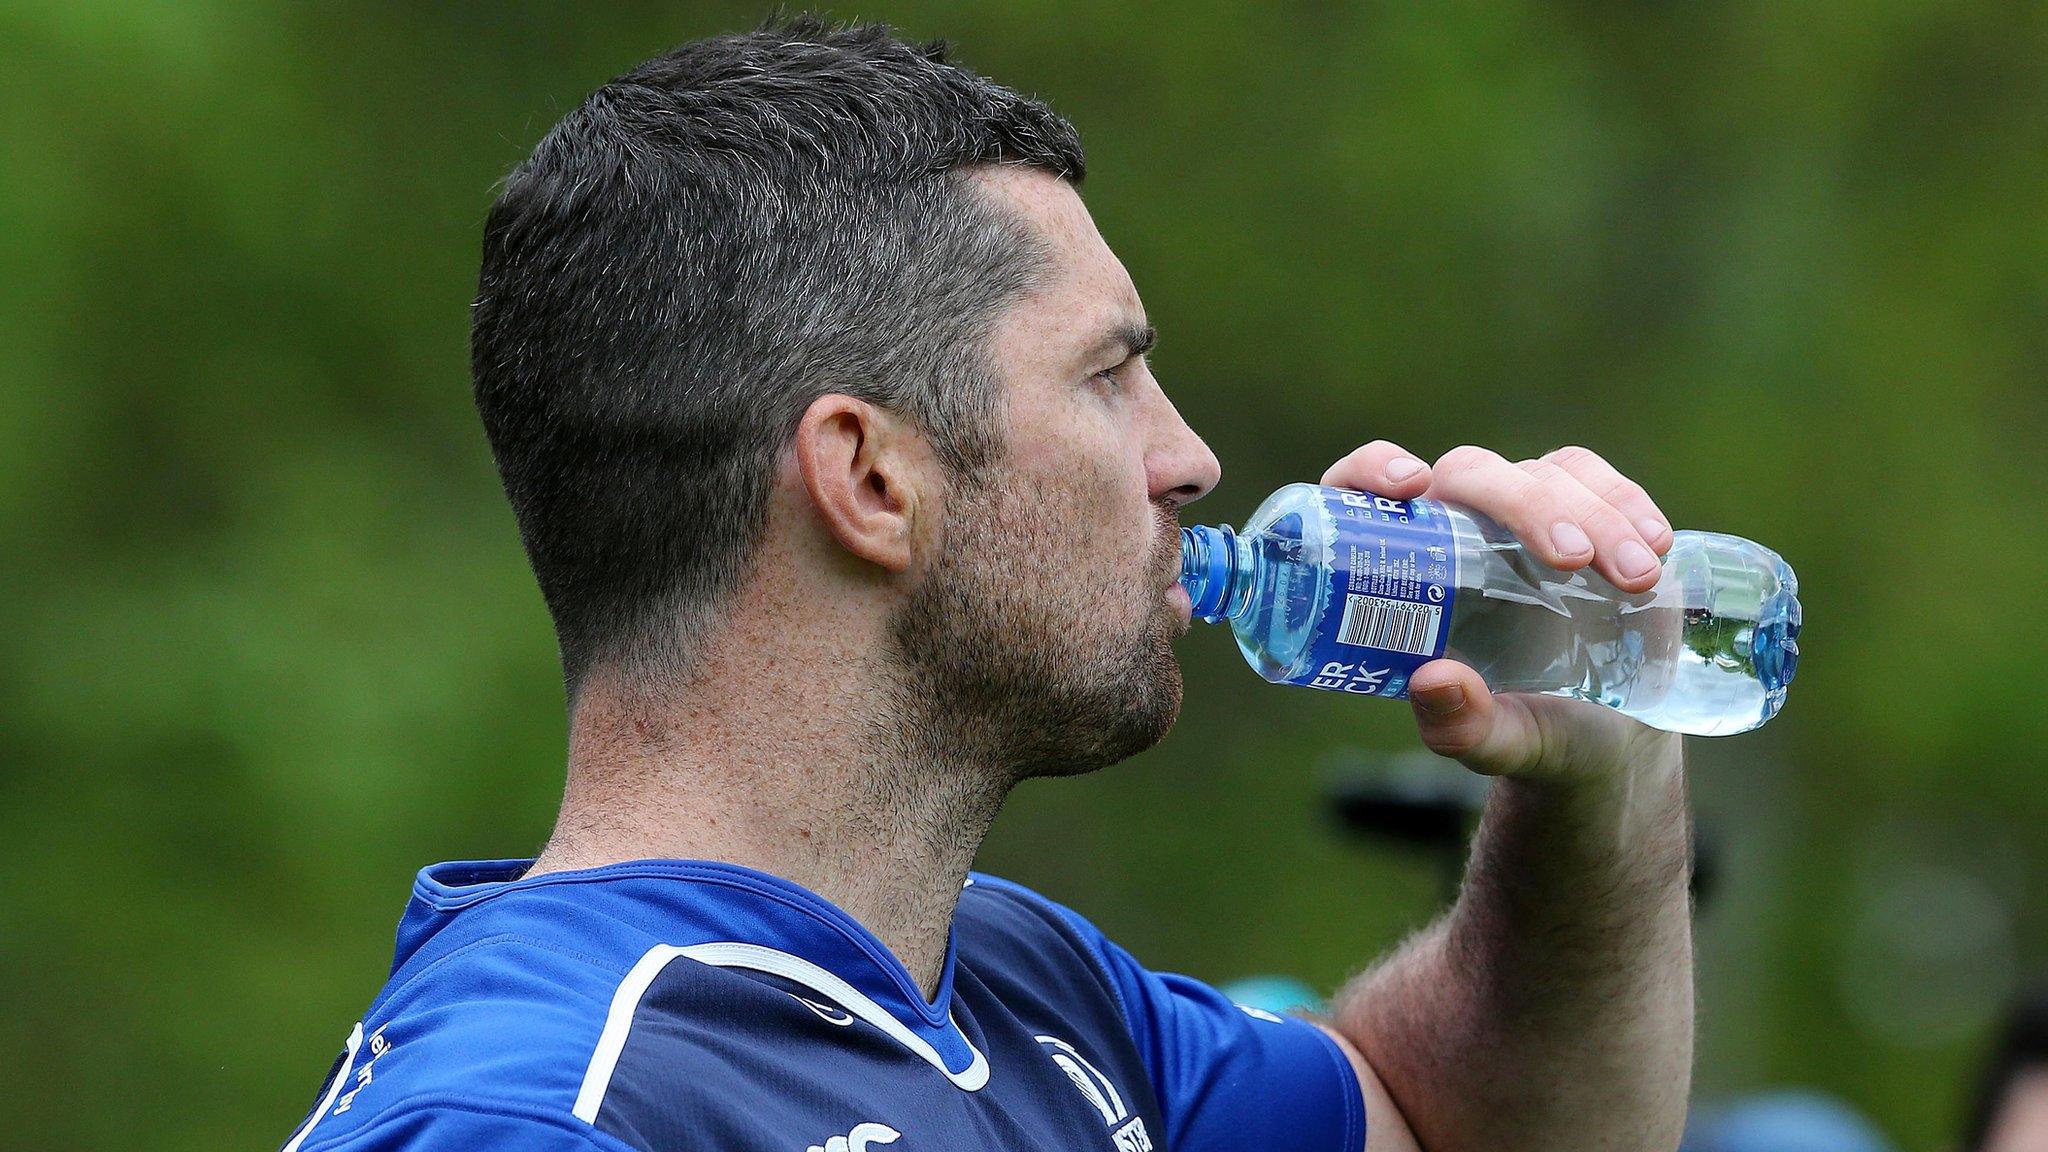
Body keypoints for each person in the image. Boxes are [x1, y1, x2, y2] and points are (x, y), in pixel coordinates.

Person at [279, 17, 1695, 1152]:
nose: (1190, 459)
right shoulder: (538, 1112)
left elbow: (1481, 1130)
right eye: (1108, 376)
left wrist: (1602, 769)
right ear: (872, 479)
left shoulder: (1030, 995)